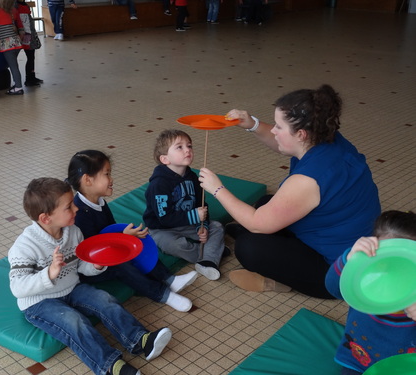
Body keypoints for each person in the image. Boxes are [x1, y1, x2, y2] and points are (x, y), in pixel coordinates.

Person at [198, 84, 381, 298]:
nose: (273, 130)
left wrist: (217, 188)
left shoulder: (308, 181)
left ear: (301, 134)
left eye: (278, 126)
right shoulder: (325, 137)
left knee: (249, 246)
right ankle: (257, 236)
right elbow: (284, 144)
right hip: (348, 240)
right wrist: (252, 124)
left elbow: (258, 223)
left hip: (339, 272)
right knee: (266, 202)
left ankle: (281, 280)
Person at [9, 177, 173, 375]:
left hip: (71, 288)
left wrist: (95, 265)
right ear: (46, 218)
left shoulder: (74, 232)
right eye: (69, 207)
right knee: (74, 321)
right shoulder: (24, 246)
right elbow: (17, 288)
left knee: (105, 300)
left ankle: (140, 340)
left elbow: (81, 265)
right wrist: (49, 274)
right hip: (40, 301)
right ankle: (110, 366)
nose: (76, 209)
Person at [67, 150, 198, 313]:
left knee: (138, 242)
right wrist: (122, 238)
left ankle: (169, 279)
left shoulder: (99, 202)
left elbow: (110, 230)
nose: (111, 179)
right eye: (106, 174)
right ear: (87, 180)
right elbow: (92, 250)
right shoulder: (80, 214)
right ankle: (163, 295)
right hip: (92, 266)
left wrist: (127, 238)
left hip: (107, 250)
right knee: (122, 265)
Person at [325, 210, 416, 375]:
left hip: (404, 367)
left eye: (402, 261)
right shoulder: (365, 277)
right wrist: (349, 261)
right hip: (358, 360)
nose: (393, 270)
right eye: (386, 259)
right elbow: (333, 289)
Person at [143, 129, 229, 281]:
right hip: (162, 229)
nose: (187, 150)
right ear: (165, 159)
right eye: (179, 147)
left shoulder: (192, 176)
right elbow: (165, 218)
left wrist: (201, 225)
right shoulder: (159, 184)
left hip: (188, 223)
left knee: (217, 227)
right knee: (174, 245)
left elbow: (201, 204)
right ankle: (211, 253)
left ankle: (209, 259)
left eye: (189, 146)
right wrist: (195, 215)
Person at [0, 0, 25, 95]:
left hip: (7, 43)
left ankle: (18, 87)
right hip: (16, 41)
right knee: (14, 65)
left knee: (13, 66)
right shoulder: (12, 10)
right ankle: (17, 85)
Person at [16, 0, 43, 87]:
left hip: (29, 35)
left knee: (31, 57)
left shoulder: (25, 5)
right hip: (22, 35)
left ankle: (31, 77)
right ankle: (27, 80)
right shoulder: (15, 5)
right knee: (20, 58)